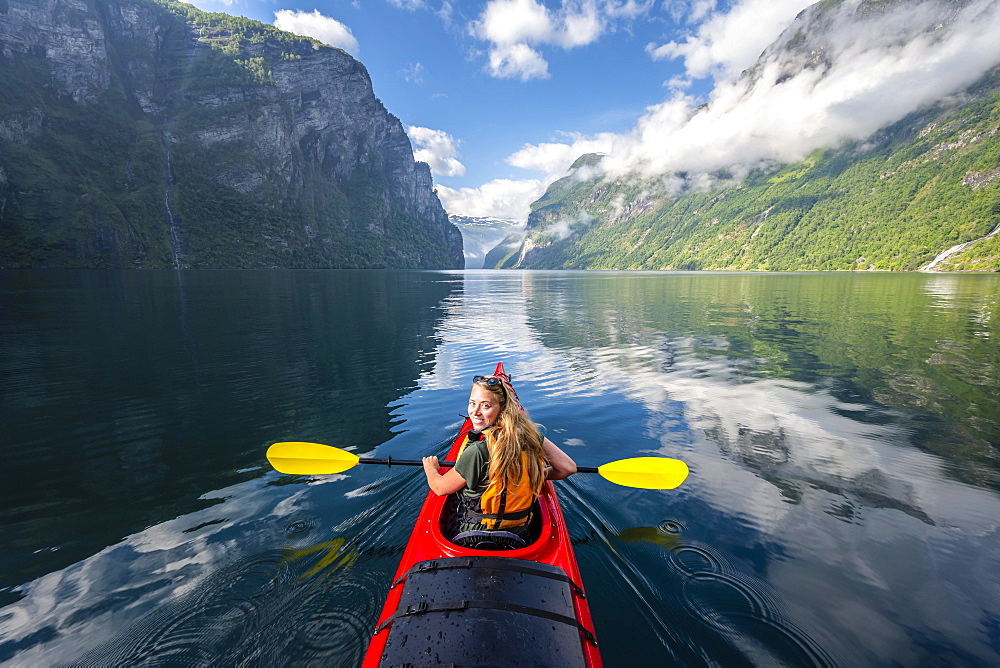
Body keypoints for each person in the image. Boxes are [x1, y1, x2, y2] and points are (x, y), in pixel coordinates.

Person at [422, 374, 577, 545]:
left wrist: (431, 469)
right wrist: (532, 473)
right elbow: (567, 468)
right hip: (519, 537)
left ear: (503, 408)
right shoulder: (530, 438)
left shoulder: (477, 451)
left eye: (485, 406)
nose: (475, 412)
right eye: (472, 403)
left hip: (471, 536)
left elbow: (440, 488)